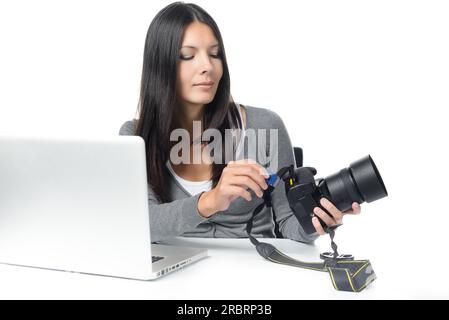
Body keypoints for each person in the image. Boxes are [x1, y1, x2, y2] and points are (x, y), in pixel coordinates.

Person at [119, 2, 361, 243]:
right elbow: (140, 223)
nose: (208, 67)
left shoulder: (265, 125)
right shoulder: (135, 136)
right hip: (171, 273)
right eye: (188, 56)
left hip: (250, 269)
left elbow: (289, 224)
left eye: (215, 54)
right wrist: (211, 200)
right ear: (160, 66)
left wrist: (317, 222)